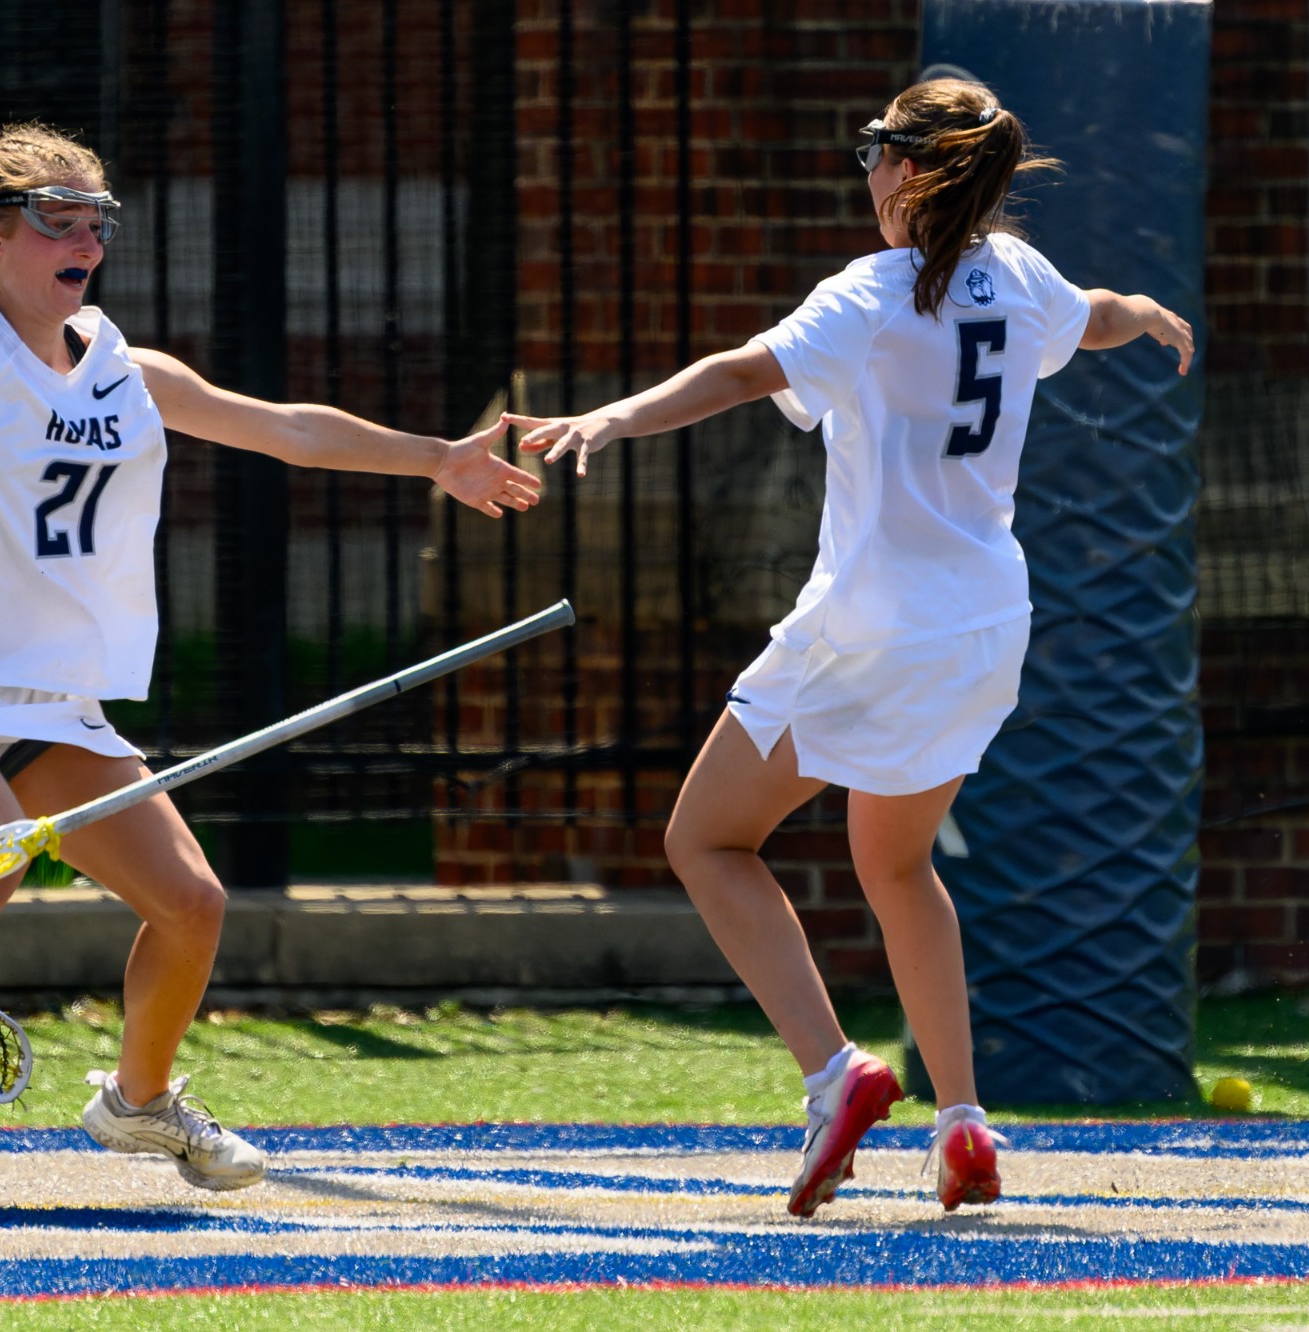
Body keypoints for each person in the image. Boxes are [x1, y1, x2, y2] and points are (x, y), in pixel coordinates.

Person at [0, 123, 541, 1191]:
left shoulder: (125, 369)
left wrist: (434, 458)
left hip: (52, 704)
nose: (86, 243)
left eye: (96, 222)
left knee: (193, 903)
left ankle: (139, 1102)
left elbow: (286, 428)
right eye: (57, 221)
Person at [503, 79, 1192, 1217]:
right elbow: (1099, 311)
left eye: (872, 150)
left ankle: (837, 1076)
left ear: (909, 170)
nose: (864, 171)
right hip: (983, 627)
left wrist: (616, 415)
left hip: (871, 619)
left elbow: (741, 371)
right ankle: (962, 1123)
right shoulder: (1020, 276)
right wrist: (1148, 311)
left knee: (705, 838)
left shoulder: (872, 293)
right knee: (898, 865)